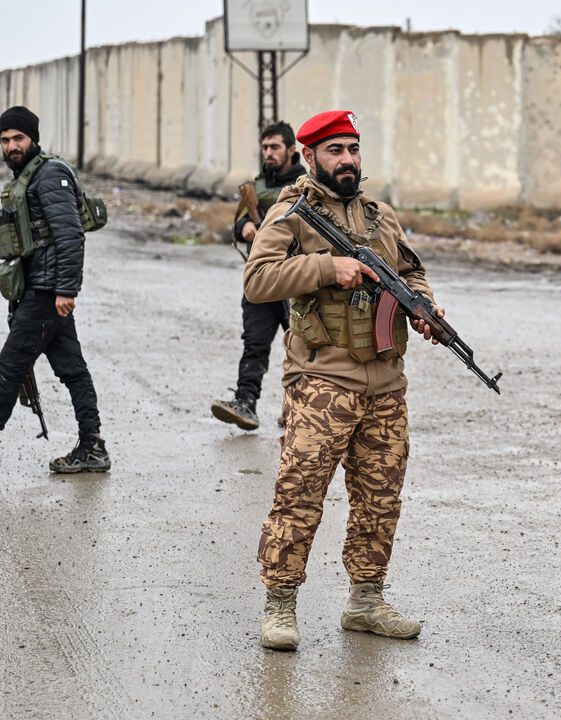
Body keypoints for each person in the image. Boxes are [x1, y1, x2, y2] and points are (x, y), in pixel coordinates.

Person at [244, 110, 441, 651]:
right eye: (335, 150)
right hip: (322, 379)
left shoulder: (382, 216)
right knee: (301, 491)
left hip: (386, 383)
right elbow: (258, 280)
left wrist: (422, 304)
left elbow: (411, 269)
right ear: (310, 157)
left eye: (353, 149)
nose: (348, 159)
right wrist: (328, 269)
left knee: (380, 496)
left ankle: (366, 600)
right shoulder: (292, 212)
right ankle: (280, 603)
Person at [0, 106, 110, 473]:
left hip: (48, 293)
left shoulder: (50, 175)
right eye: (5, 140)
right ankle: (93, 447)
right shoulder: (28, 176)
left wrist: (66, 289)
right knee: (72, 369)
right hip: (37, 291)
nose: (12, 146)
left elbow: (70, 235)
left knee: (11, 365)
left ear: (33, 137)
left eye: (18, 138)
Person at [211, 121, 305, 429]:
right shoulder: (257, 186)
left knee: (302, 345)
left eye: (274, 147)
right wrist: (245, 227)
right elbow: (238, 221)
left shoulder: (307, 186)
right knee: (254, 342)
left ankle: (299, 408)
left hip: (296, 279)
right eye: (264, 147)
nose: (268, 153)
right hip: (262, 278)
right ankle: (246, 402)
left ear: (291, 150)